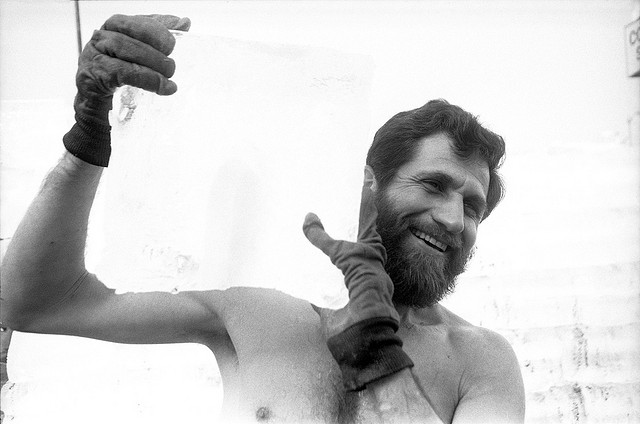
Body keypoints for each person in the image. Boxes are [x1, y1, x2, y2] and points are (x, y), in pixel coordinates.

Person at [0, 14, 525, 424]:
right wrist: (88, 136)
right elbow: (37, 303)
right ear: (368, 185)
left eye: (473, 207)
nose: (453, 219)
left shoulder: (482, 362)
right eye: (432, 185)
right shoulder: (261, 305)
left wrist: (372, 345)